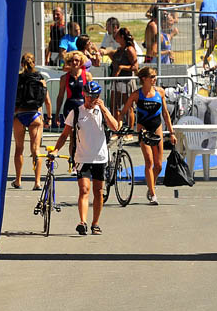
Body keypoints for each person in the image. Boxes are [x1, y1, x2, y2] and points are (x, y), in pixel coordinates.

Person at [52, 81, 120, 236]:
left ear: (98, 96)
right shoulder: (76, 112)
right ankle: (82, 222)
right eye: (88, 96)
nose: (90, 99)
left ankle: (95, 223)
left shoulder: (102, 111)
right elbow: (64, 135)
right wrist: (56, 150)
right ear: (83, 94)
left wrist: (103, 109)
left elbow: (115, 127)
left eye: (94, 96)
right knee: (84, 189)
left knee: (98, 191)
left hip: (100, 158)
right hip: (82, 157)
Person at [120, 67, 174, 206]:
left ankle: (151, 184)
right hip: (143, 129)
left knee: (159, 165)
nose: (155, 79)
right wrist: (119, 125)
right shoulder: (136, 94)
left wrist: (171, 132)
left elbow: (165, 114)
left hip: (157, 128)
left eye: (155, 76)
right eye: (152, 76)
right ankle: (152, 193)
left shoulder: (160, 92)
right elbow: (125, 110)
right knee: (149, 162)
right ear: (144, 79)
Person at [12, 53, 51, 190]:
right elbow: (47, 101)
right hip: (35, 115)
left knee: (19, 149)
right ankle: (37, 182)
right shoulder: (40, 78)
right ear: (34, 63)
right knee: (36, 150)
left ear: (22, 63)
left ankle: (18, 180)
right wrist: (49, 117)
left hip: (19, 114)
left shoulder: (17, 78)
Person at [54, 51, 92, 161]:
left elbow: (92, 94)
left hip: (83, 107)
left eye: (77, 60)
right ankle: (74, 161)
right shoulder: (64, 78)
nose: (74, 63)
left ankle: (84, 159)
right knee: (73, 137)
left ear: (81, 61)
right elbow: (60, 96)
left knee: (83, 136)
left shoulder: (87, 75)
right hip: (70, 108)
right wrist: (57, 114)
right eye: (71, 61)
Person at [102, 27, 137, 119]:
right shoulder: (120, 49)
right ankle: (117, 127)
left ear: (122, 36)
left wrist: (122, 68)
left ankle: (130, 129)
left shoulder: (129, 49)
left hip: (126, 82)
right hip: (116, 81)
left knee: (128, 106)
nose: (114, 36)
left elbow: (135, 66)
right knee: (114, 105)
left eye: (117, 35)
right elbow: (114, 58)